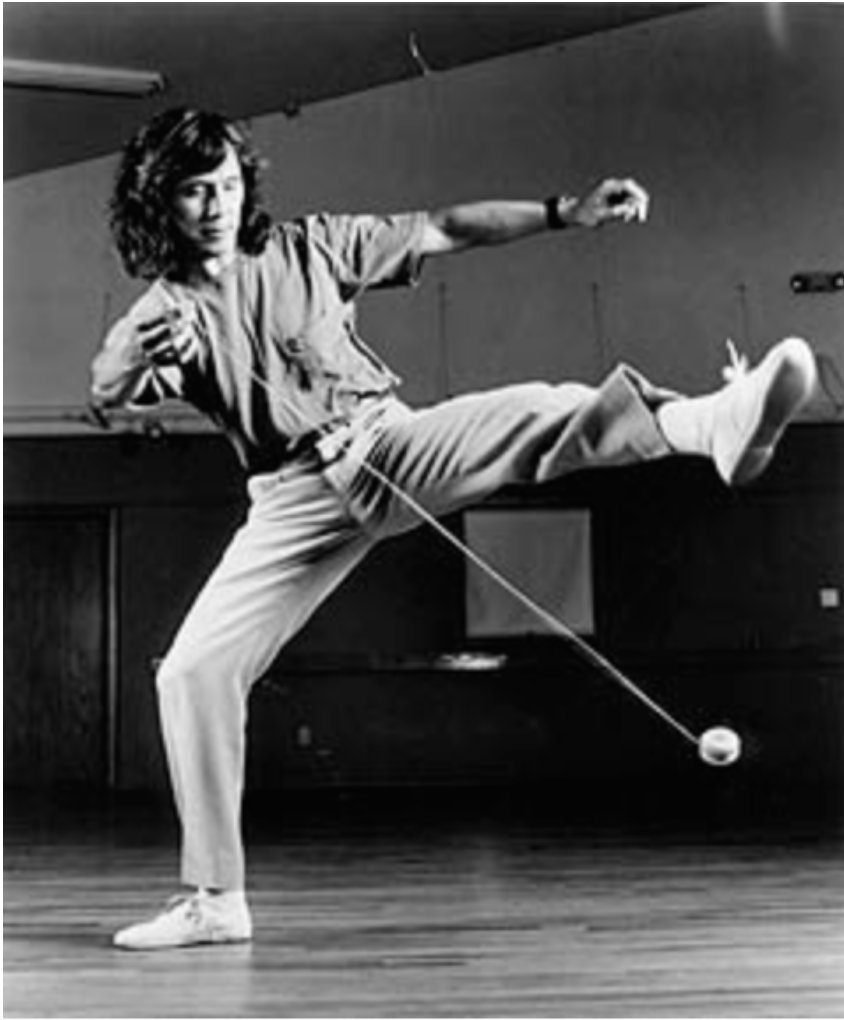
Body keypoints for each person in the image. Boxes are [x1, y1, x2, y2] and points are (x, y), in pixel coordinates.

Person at [91, 108, 816, 950]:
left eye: (226, 182)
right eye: (192, 190)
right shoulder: (162, 310)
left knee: (529, 414)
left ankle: (707, 424)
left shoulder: (311, 247)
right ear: (159, 203)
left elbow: (441, 228)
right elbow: (108, 391)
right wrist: (140, 351)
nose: (216, 203)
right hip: (289, 504)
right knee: (191, 673)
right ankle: (217, 899)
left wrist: (564, 212)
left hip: (382, 445)